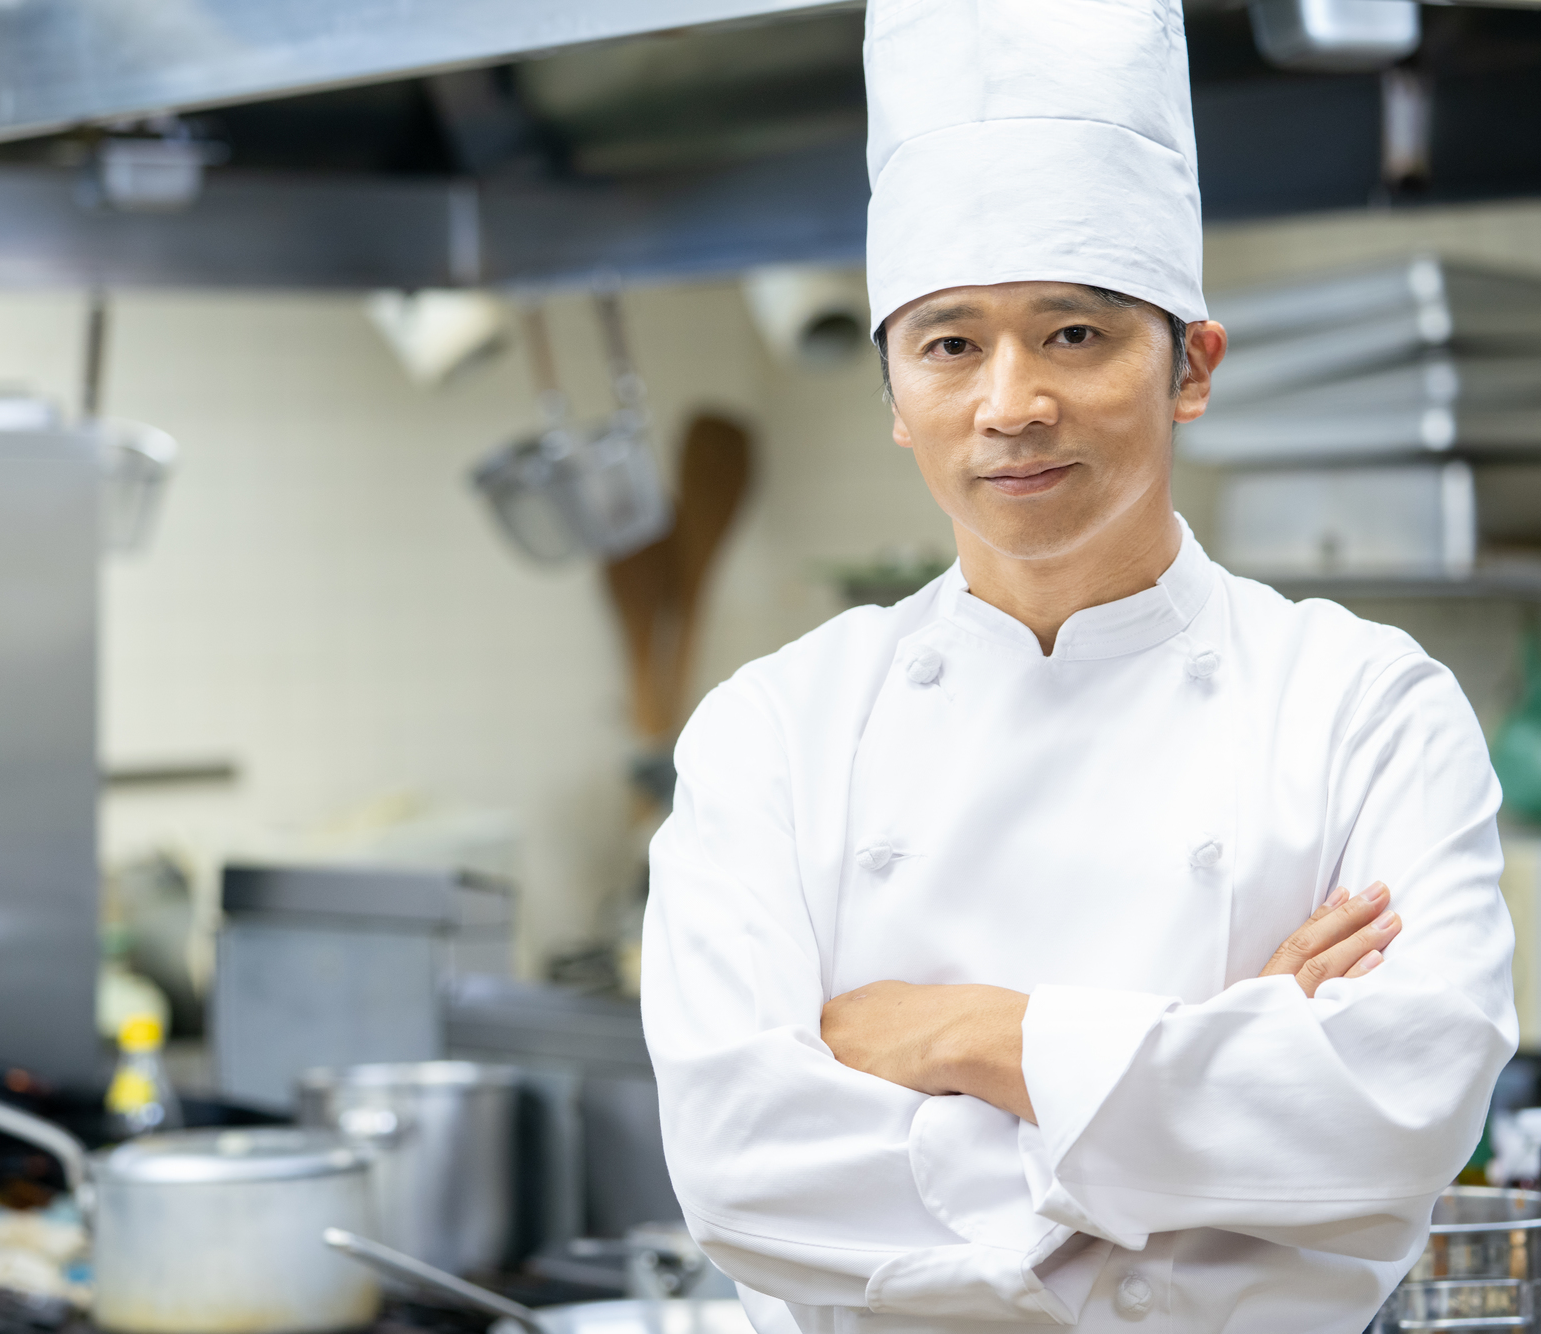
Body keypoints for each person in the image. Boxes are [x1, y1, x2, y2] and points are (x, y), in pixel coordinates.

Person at [638, 1, 1517, 1329]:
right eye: (949, 345)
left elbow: (1398, 1112)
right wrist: (1209, 1083)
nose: (1011, 405)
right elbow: (741, 1173)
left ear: (1192, 367)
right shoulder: (771, 727)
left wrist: (966, 1035)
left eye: (1074, 335)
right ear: (894, 396)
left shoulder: (1366, 706)